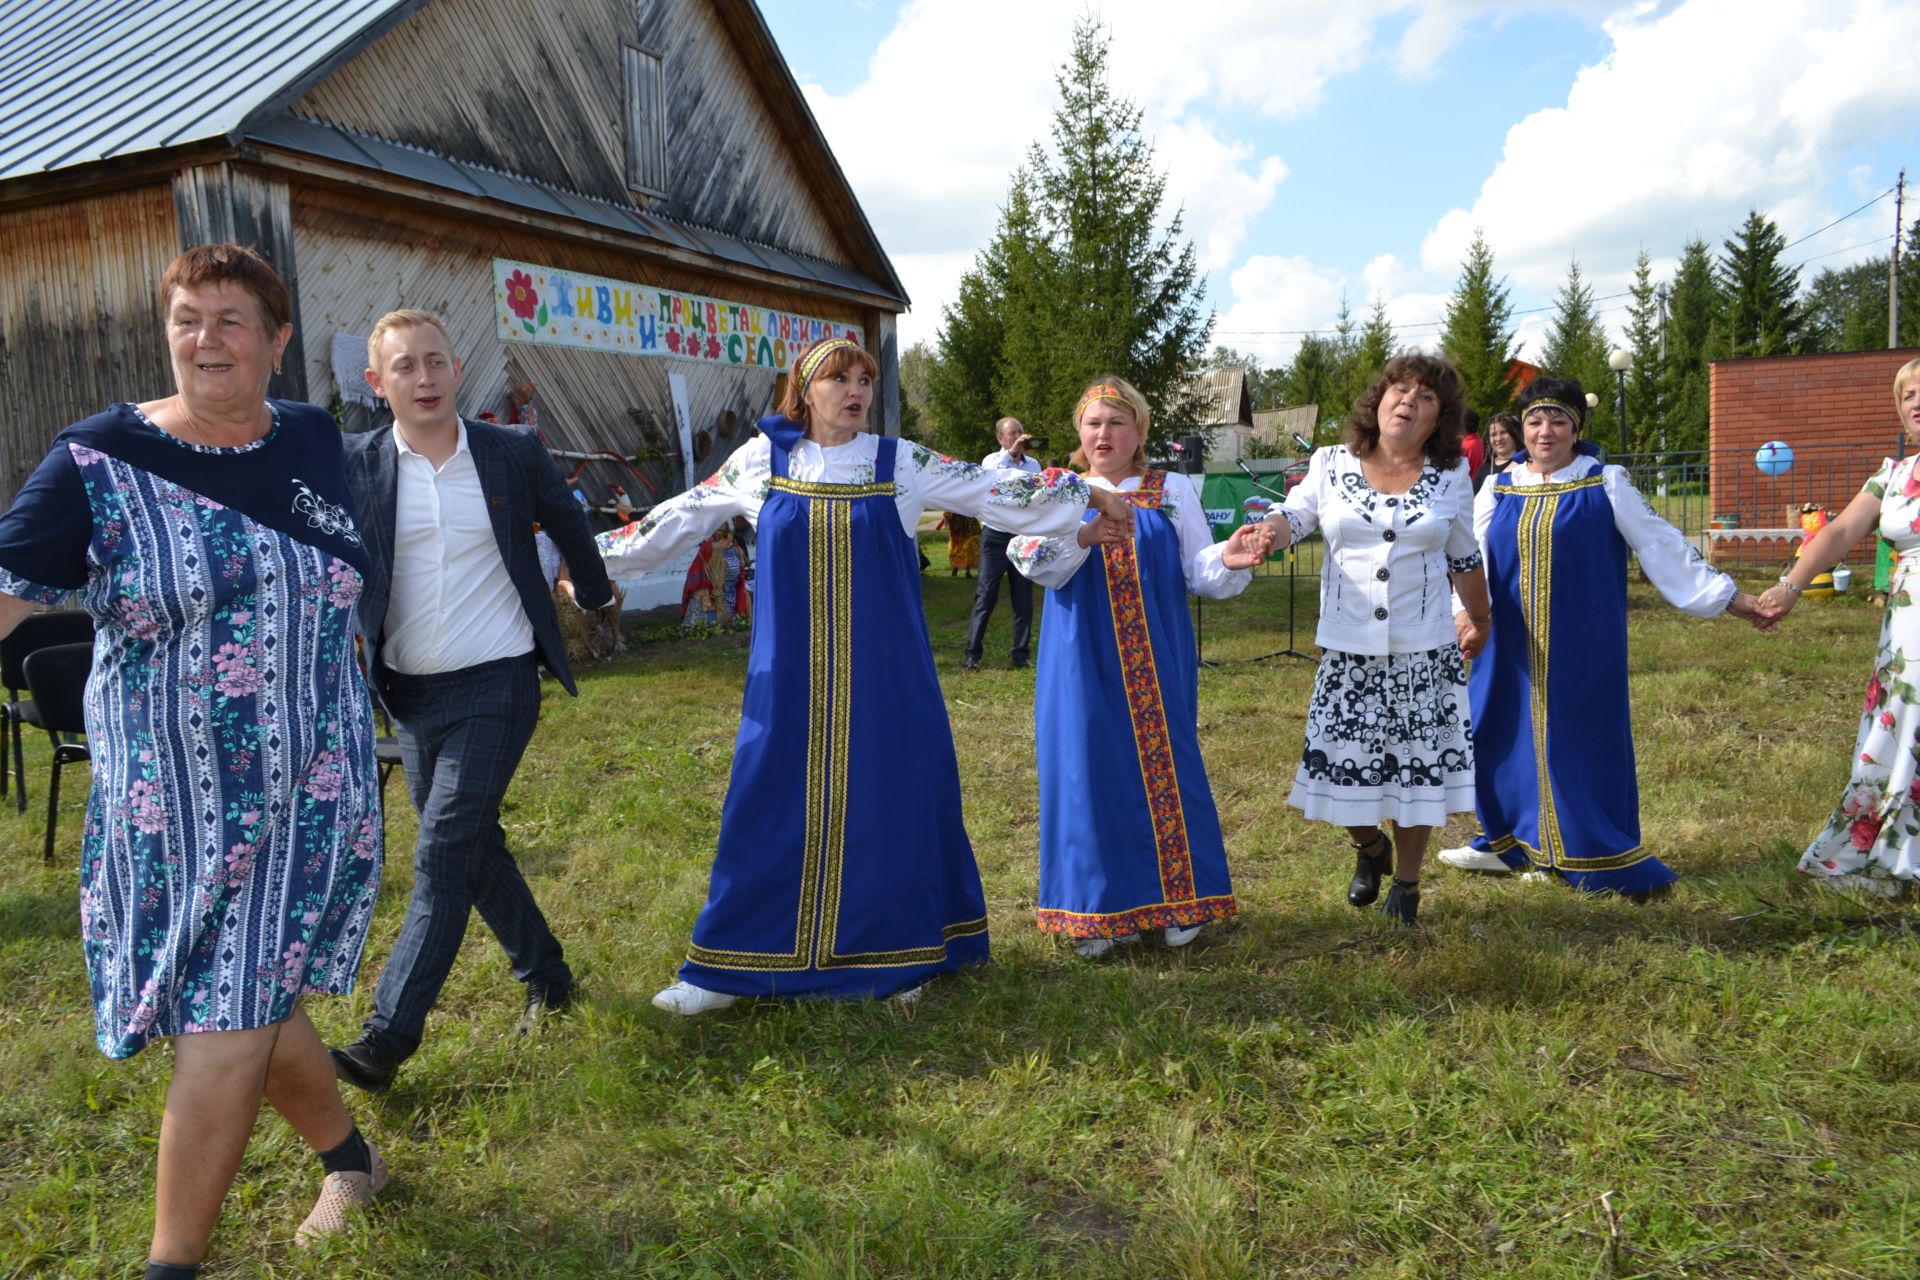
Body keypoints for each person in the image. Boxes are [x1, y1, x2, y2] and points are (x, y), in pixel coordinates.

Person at [0, 244, 385, 1275]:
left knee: (229, 1009)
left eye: (228, 318)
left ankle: (173, 1262)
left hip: (311, 787)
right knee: (246, 993)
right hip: (172, 804)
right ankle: (351, 1160)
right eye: (185, 317)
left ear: (276, 339)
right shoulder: (98, 460)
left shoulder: (312, 438)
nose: (204, 337)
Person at [595, 336, 1135, 1014]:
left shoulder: (899, 462)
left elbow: (993, 487)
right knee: (763, 804)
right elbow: (674, 522)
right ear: (805, 388)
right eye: (839, 378)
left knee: (890, 804)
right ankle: (725, 969)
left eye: (865, 380)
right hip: (789, 680)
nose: (855, 391)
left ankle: (894, 959)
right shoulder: (760, 461)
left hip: (887, 677)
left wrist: (1086, 492)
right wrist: (582, 560)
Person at [328, 309, 615, 1093]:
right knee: (474, 847)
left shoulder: (510, 452)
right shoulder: (353, 465)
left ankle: (386, 1038)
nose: (424, 379)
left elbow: (568, 520)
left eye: (436, 363)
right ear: (375, 382)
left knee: (442, 853)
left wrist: (591, 592)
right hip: (409, 694)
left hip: (499, 679)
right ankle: (548, 976)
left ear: (457, 369)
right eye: (405, 367)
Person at [1436, 377, 1774, 895]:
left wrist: (1733, 601)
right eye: (1534, 421)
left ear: (1577, 429)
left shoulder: (1603, 482)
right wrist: (1464, 612)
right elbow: (1467, 556)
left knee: (1575, 740)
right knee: (1496, 731)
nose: (1545, 432)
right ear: (1521, 430)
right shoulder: (1498, 487)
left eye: (1558, 421)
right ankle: (1504, 843)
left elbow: (1662, 545)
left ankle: (1590, 851)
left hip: (1581, 645)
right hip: (1504, 643)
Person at [1010, 378, 1273, 956]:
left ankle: (1180, 899)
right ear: (1080, 432)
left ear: (1140, 433)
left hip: (1154, 653)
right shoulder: (1060, 488)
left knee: (1165, 761)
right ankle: (1102, 910)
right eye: (1094, 423)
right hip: (1078, 655)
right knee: (1087, 768)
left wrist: (1228, 556)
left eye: (1117, 422)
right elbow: (1027, 556)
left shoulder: (1170, 488)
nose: (1104, 434)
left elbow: (1198, 567)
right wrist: (1081, 533)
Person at [1269, 354, 1492, 925]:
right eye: (1400, 389)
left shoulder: (1450, 477)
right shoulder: (1330, 463)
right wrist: (1268, 532)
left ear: (1438, 418)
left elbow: (1464, 553)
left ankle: (1408, 886)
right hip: (1348, 650)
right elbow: (1296, 516)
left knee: (1415, 774)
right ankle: (1370, 847)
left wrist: (1481, 616)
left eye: (1425, 397)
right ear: (1379, 400)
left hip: (1425, 649)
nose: (1409, 401)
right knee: (1338, 767)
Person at [1759, 357, 1920, 897]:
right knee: (1900, 728)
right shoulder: (1893, 475)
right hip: (1909, 625)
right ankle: (1887, 856)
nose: (1916, 402)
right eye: (1907, 396)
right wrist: (1791, 585)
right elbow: (1840, 531)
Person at [964, 417, 1044, 669]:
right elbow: (991, 478)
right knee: (986, 595)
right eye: (1012, 433)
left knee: (1023, 598)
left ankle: (1021, 655)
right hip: (996, 537)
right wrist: (1010, 454)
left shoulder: (1034, 464)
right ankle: (972, 655)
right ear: (1000, 438)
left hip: (1023, 536)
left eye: (1021, 431)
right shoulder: (992, 460)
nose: (1019, 436)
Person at [681, 522, 751, 626]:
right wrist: (705, 593)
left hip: (732, 593)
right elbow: (696, 574)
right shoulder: (709, 548)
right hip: (712, 595)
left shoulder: (736, 546)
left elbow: (742, 572)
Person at [1475, 412, 1520, 491]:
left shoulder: (1526, 466)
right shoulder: (1484, 470)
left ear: (1514, 434)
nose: (1498, 439)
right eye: (1493, 435)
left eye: (1503, 432)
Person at [938, 511, 982, 576]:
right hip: (962, 525)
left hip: (962, 524)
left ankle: (959, 569)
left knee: (963, 547)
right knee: (965, 547)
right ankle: (963, 570)